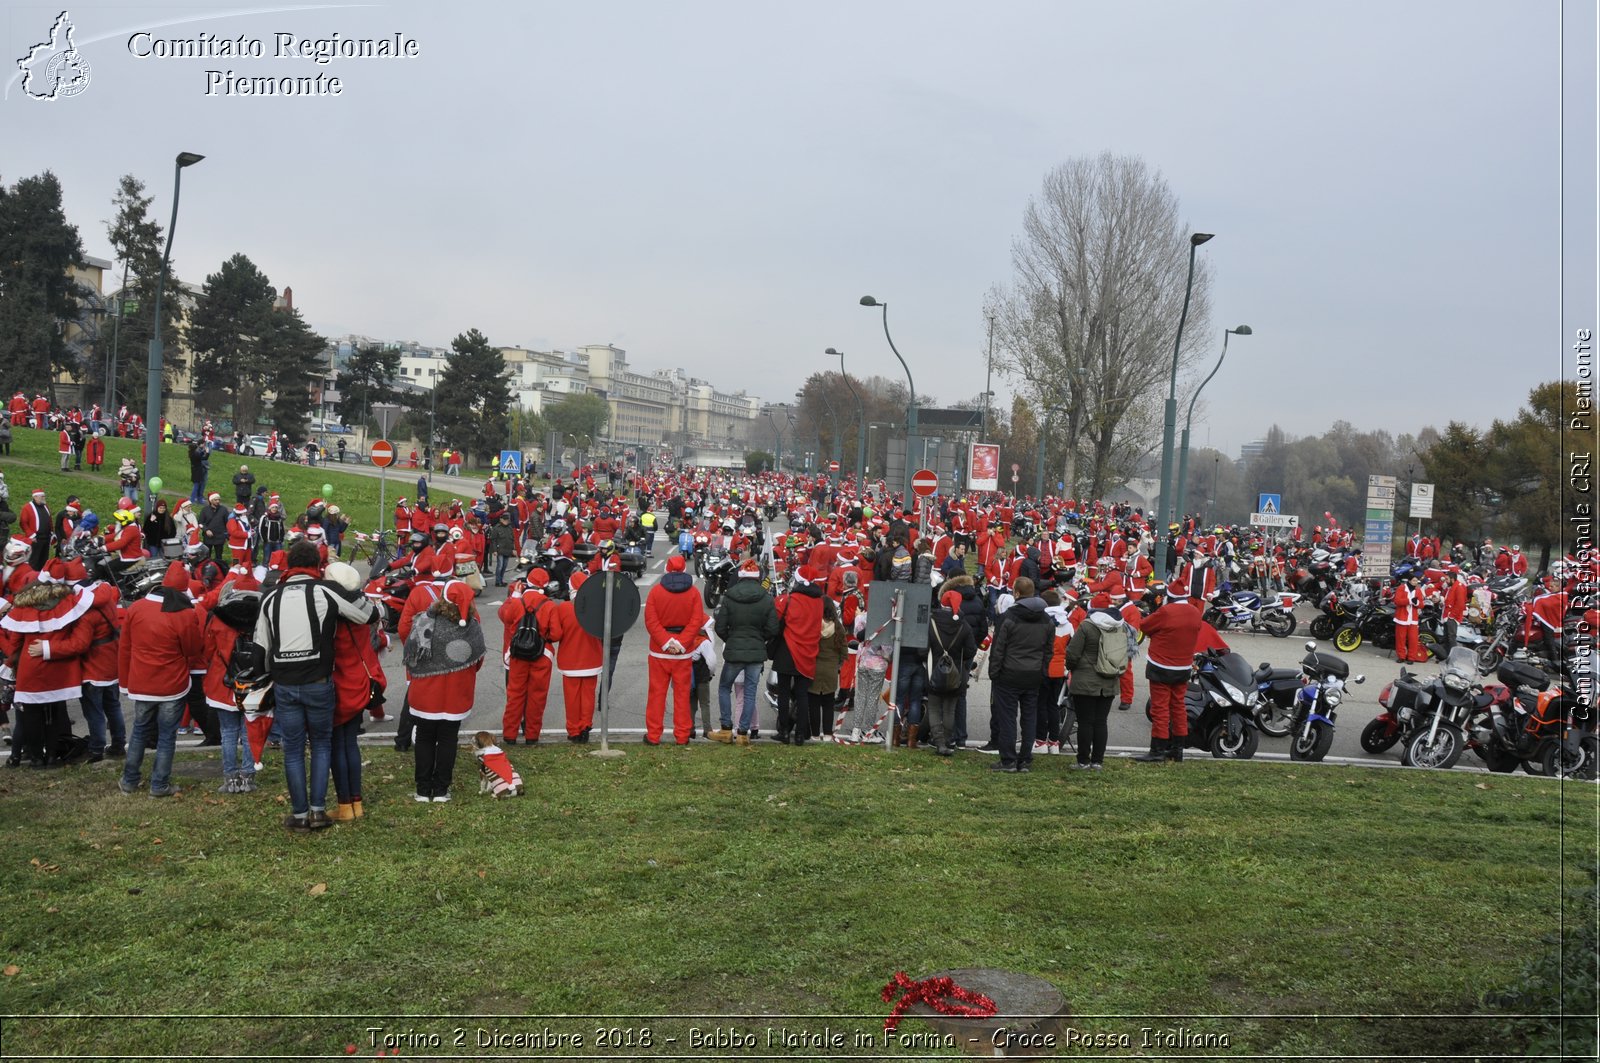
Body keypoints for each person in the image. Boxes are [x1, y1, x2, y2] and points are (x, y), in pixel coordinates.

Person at [254, 540, 377, 830]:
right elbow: (369, 615)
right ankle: (319, 810)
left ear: (288, 564)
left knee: (293, 749)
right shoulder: (325, 591)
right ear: (316, 567)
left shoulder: (270, 598)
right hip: (320, 682)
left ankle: (299, 814)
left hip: (285, 685)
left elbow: (260, 649)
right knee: (322, 745)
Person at [118, 564, 204, 795]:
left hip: (142, 683)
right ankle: (159, 784)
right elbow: (193, 649)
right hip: (172, 685)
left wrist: (125, 682)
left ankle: (129, 780)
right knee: (167, 736)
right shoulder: (185, 614)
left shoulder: (136, 608)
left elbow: (125, 647)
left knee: (139, 731)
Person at [0, 581, 94, 768]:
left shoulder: (23, 610)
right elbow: (81, 642)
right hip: (60, 669)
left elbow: (13, 647)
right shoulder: (68, 605)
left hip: (30, 670)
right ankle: (52, 756)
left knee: (30, 716)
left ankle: (36, 759)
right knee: (53, 714)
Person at [325, 562, 386, 819]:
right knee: (350, 744)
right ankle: (356, 803)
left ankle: (344, 805)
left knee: (337, 745)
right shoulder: (363, 609)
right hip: (361, 681)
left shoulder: (333, 614)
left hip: (340, 681)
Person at [986, 576, 1051, 773]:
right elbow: (1048, 650)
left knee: (1008, 717)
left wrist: (994, 672)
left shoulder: (1008, 617)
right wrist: (1043, 671)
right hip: (1033, 674)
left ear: (1016, 593)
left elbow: (998, 648)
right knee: (1029, 718)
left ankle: (1008, 760)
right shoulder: (1046, 619)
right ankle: (1025, 759)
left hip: (1009, 674)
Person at [712, 558, 778, 744]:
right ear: (757, 577)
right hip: (756, 650)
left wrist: (730, 638)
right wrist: (760, 639)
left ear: (740, 577)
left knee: (725, 687)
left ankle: (726, 728)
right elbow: (773, 628)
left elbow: (720, 626)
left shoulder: (730, 595)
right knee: (750, 692)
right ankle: (743, 732)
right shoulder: (766, 597)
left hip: (734, 649)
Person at [643, 555, 707, 745]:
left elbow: (651, 621)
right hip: (683, 653)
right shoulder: (694, 593)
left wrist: (665, 642)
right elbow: (696, 621)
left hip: (659, 652)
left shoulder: (655, 592)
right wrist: (681, 643)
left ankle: (654, 735)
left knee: (656, 694)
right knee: (682, 695)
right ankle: (682, 735)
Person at [1135, 583, 1202, 762]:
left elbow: (1144, 626)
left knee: (1160, 708)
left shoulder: (1166, 611)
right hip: (1183, 666)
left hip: (1161, 665)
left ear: (1169, 596)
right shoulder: (1195, 612)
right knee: (1178, 707)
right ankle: (1177, 749)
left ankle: (1157, 749)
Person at [1062, 594, 1127, 770]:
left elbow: (1073, 653)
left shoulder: (1087, 626)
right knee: (1100, 722)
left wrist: (1071, 668)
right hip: (1110, 681)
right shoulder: (1119, 627)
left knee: (1085, 722)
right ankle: (1098, 761)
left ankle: (1083, 760)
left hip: (1085, 680)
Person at [498, 570, 555, 745]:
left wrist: (514, 596)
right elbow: (556, 633)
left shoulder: (517, 602)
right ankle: (532, 735)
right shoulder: (549, 605)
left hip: (518, 655)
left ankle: (510, 734)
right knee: (537, 696)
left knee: (515, 694)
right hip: (541, 654)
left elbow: (506, 618)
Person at [772, 564, 824, 744]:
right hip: (809, 651)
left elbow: (775, 619)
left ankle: (784, 731)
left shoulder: (788, 600)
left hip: (787, 649)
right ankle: (801, 733)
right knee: (802, 694)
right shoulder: (820, 601)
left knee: (784, 693)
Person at [923, 589, 976, 756]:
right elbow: (970, 651)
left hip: (934, 670)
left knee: (933, 707)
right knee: (949, 710)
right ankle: (946, 740)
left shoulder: (931, 621)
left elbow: (923, 649)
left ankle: (938, 741)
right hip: (955, 673)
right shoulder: (964, 625)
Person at [487, 512, 517, 587]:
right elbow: (493, 540)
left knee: (504, 566)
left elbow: (512, 539)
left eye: (507, 520)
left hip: (508, 550)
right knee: (500, 566)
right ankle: (498, 581)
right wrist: (494, 550)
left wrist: (513, 549)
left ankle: (501, 579)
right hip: (499, 550)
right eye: (505, 520)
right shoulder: (496, 528)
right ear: (501, 520)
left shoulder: (509, 528)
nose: (507, 521)